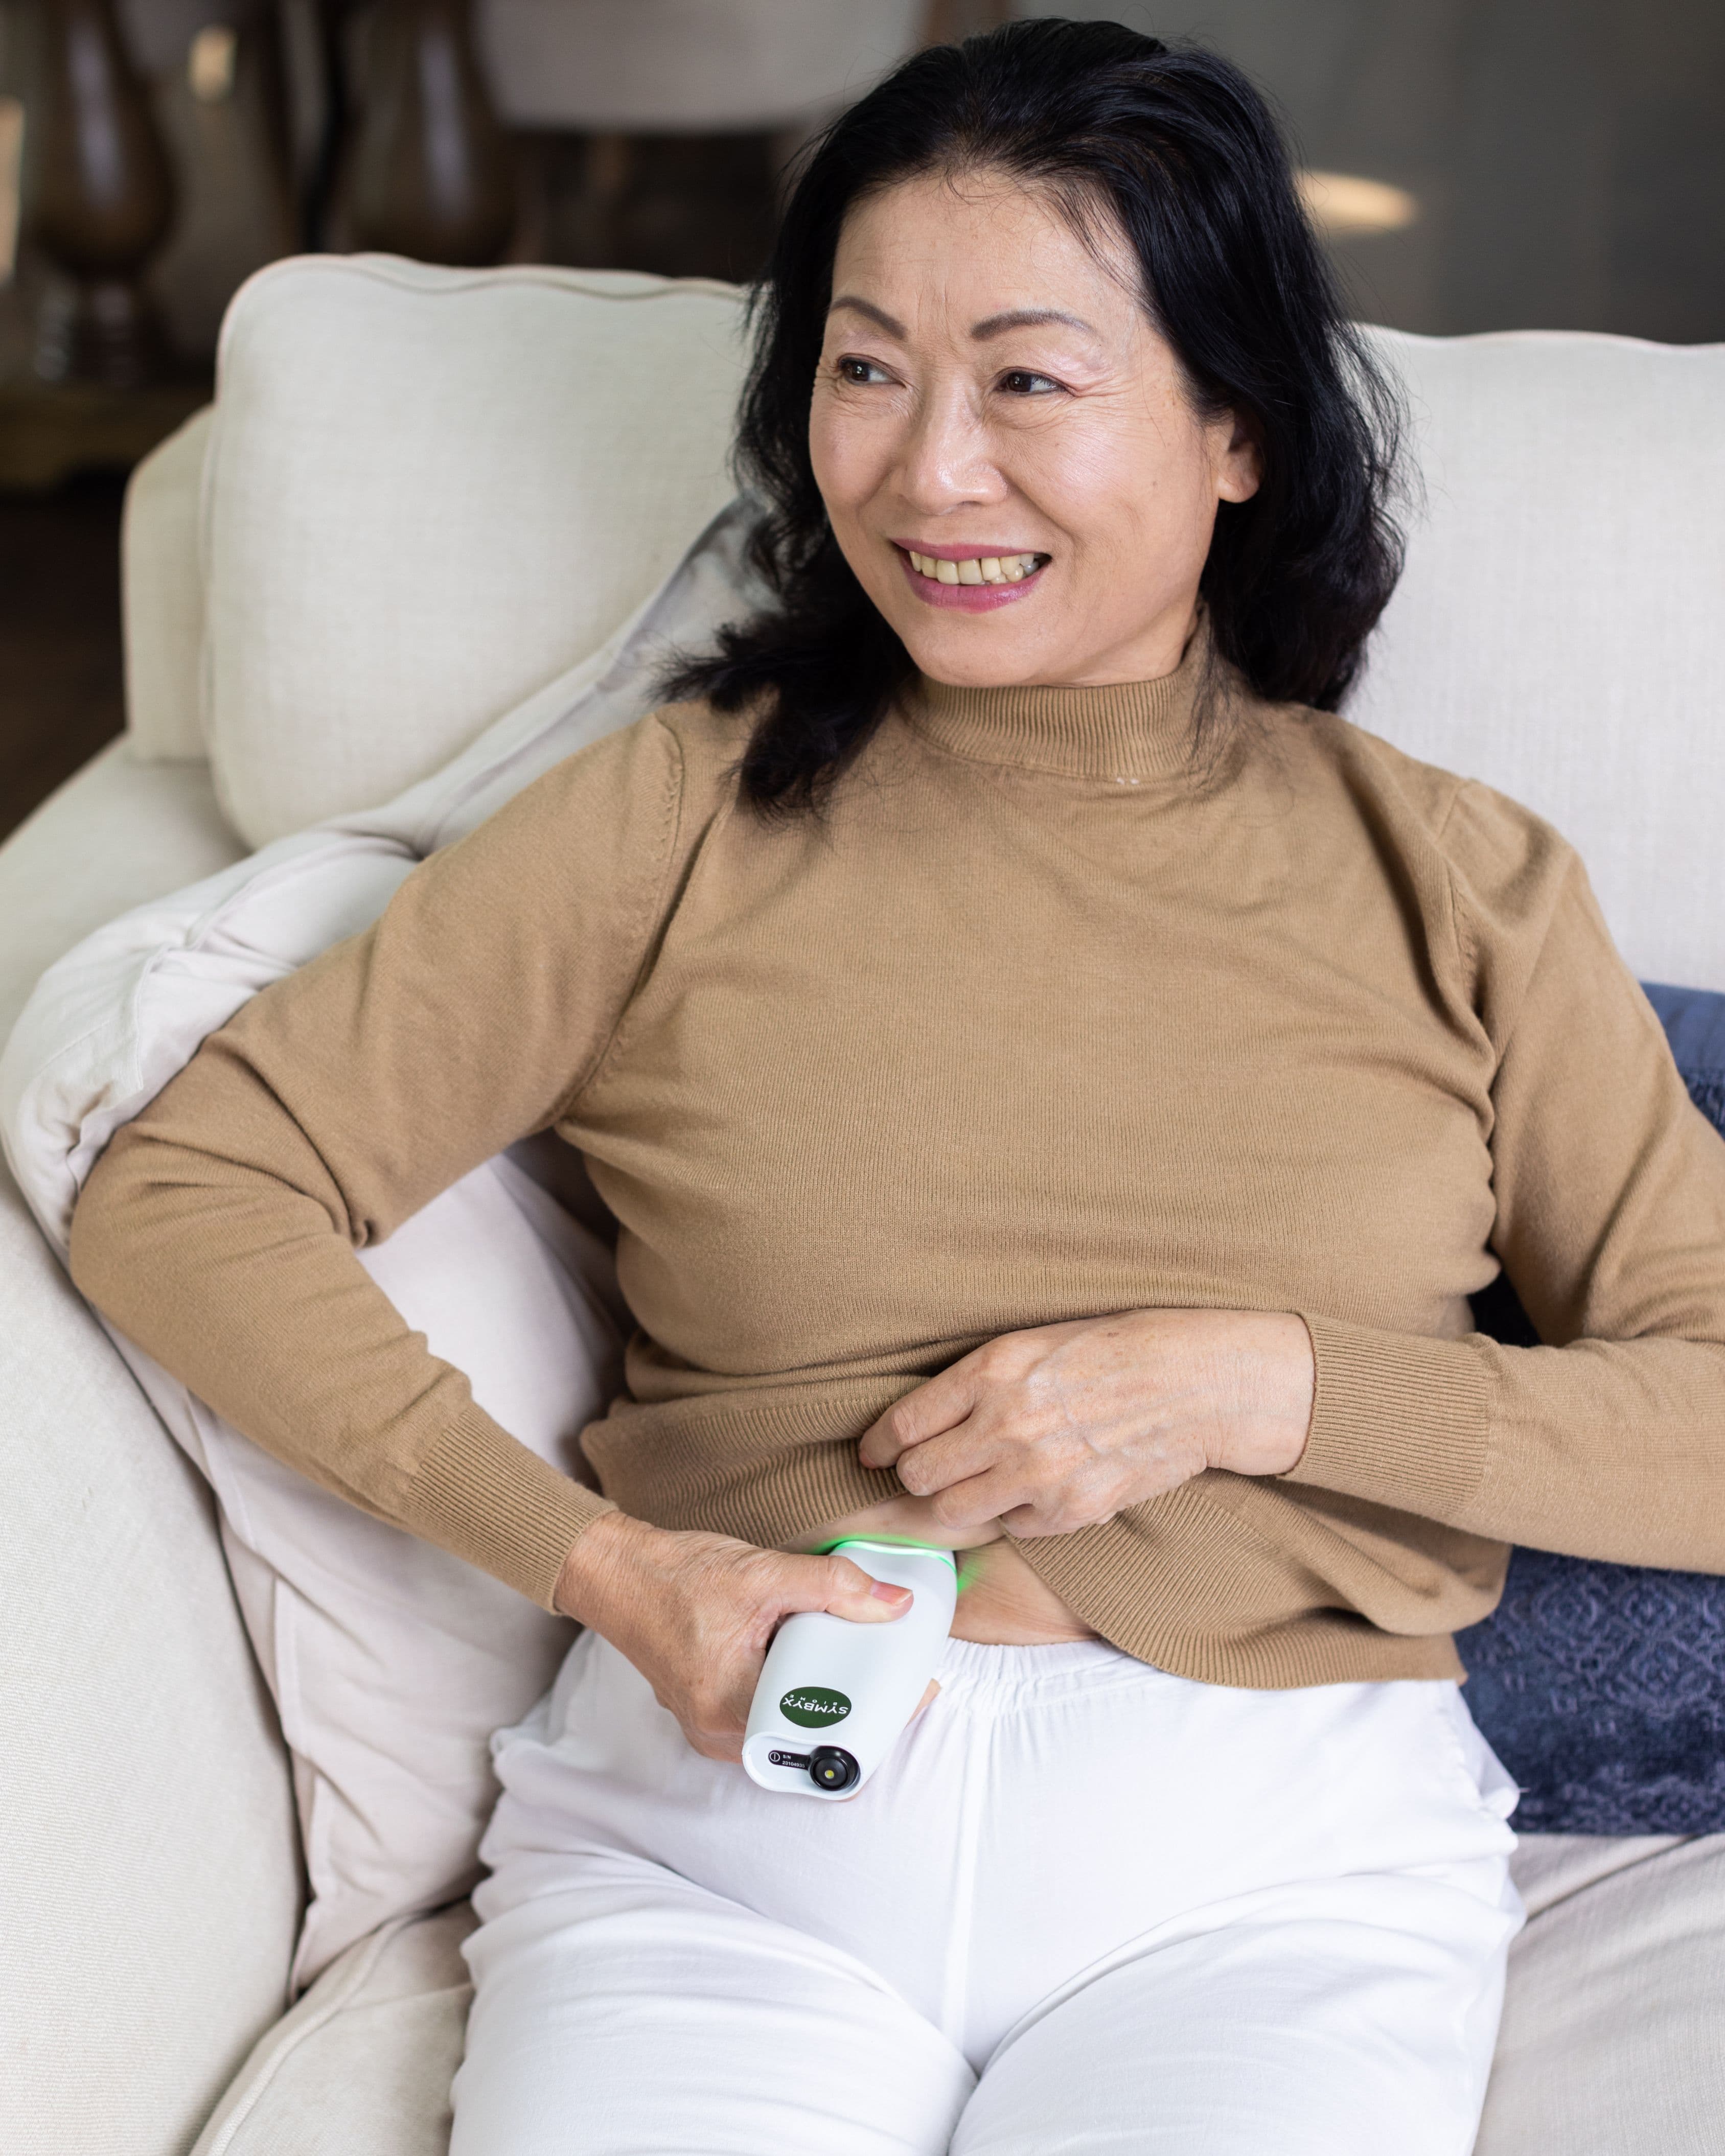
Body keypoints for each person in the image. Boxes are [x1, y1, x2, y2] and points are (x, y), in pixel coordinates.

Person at [68, 20, 1725, 2154]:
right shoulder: (673, 812)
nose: (930, 471)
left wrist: (1262, 1386)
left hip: (1270, 1872)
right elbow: (188, 1186)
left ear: (1234, 428)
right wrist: (598, 1565)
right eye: (866, 370)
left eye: (1029, 379)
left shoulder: (1458, 877)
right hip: (716, 1849)